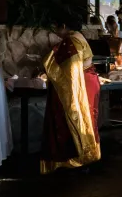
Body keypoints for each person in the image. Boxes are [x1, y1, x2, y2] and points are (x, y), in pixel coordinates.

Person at [40, 13, 102, 174]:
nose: (55, 30)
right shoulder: (78, 36)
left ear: (64, 26)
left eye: (56, 26)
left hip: (81, 84)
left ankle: (76, 159)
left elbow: (70, 71)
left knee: (74, 118)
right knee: (88, 118)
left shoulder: (71, 41)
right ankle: (87, 156)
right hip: (88, 79)